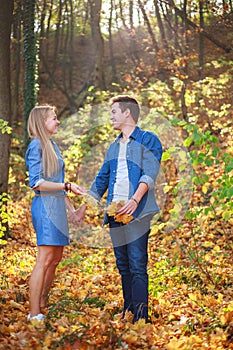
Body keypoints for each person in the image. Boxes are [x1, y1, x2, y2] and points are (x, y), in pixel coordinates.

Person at [88, 95, 163, 323]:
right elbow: (102, 178)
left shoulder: (148, 140)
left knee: (138, 264)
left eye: (113, 112)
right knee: (123, 265)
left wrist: (135, 200)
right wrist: (84, 205)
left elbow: (150, 172)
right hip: (114, 213)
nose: (110, 116)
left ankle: (141, 318)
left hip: (137, 212)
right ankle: (128, 312)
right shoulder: (113, 146)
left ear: (127, 113)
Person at [25, 105, 86, 322]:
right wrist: (68, 186)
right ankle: (33, 314)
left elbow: (60, 184)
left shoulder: (53, 146)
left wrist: (72, 210)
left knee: (56, 258)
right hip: (45, 207)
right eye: (54, 118)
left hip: (58, 207)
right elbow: (37, 183)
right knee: (45, 258)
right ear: (42, 123)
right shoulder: (36, 146)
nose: (58, 121)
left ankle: (42, 303)